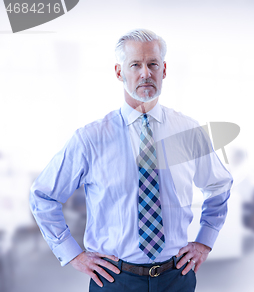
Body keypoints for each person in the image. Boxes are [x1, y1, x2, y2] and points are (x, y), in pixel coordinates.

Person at [29, 29, 233, 292]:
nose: (146, 73)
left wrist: (205, 241)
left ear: (164, 70)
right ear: (119, 72)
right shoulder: (90, 139)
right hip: (115, 280)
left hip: (177, 278)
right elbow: (43, 195)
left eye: (153, 64)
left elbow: (219, 185)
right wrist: (72, 254)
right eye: (135, 64)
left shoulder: (189, 132)